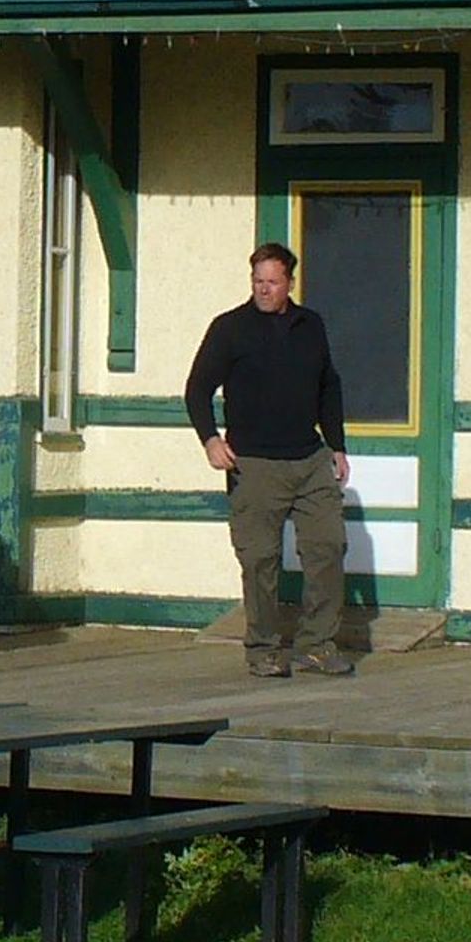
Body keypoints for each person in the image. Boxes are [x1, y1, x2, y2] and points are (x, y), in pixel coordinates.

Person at [185, 240, 356, 678]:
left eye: (273, 282)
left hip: (309, 457)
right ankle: (263, 648)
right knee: (260, 559)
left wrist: (336, 445)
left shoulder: (310, 326)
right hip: (253, 464)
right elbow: (197, 388)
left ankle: (316, 644)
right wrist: (209, 439)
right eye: (258, 281)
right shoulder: (229, 329)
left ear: (290, 283)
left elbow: (328, 387)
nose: (264, 289)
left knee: (328, 546)